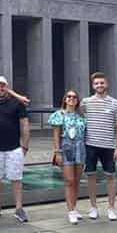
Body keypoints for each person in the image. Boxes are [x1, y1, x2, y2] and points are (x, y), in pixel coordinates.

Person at [0, 76, 31, 223]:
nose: (0, 89)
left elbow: (25, 124)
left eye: (3, 86)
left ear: (7, 87)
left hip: (14, 147)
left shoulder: (17, 103)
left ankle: (19, 208)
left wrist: (25, 145)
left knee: (17, 178)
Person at [80, 72, 117, 221]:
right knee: (91, 176)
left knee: (111, 177)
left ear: (107, 84)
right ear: (93, 86)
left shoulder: (116, 103)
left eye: (102, 83)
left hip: (108, 146)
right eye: (96, 83)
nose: (99, 85)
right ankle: (93, 207)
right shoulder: (85, 102)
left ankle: (111, 208)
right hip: (90, 145)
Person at [49, 90, 88, 224]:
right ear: (65, 99)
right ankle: (70, 210)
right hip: (66, 149)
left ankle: (74, 207)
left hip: (80, 148)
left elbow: (86, 134)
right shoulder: (59, 115)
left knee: (77, 180)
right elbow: (56, 134)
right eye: (69, 96)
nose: (72, 98)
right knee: (69, 180)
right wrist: (57, 151)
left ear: (78, 100)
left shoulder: (82, 116)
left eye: (74, 97)